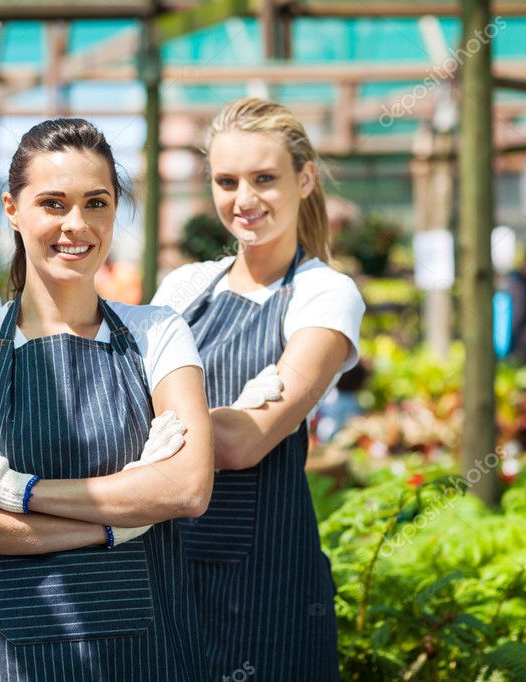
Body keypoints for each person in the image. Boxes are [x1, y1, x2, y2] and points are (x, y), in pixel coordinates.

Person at [0, 118, 228, 681]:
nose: (75, 225)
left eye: (95, 203)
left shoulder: (159, 331)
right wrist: (117, 522)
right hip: (2, 658)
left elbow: (187, 486)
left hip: (146, 653)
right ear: (13, 209)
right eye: (52, 203)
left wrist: (12, 490)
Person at [151, 97, 366, 680]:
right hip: (165, 564)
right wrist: (228, 415)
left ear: (305, 178)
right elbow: (121, 405)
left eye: (263, 179)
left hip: (269, 586)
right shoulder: (184, 287)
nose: (243, 200)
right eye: (227, 181)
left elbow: (245, 444)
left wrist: (169, 427)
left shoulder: (325, 295)